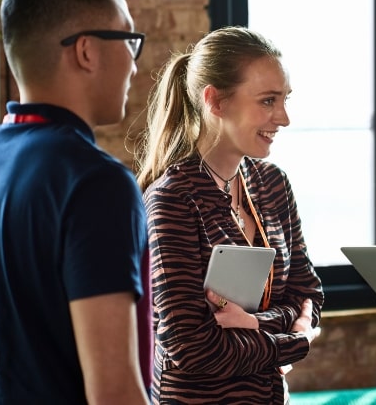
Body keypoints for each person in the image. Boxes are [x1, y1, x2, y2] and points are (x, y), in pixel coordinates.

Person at [0, 0, 150, 405]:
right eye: (128, 40)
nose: (134, 63)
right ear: (86, 51)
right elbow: (115, 394)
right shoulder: (95, 185)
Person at [135, 26, 324, 404]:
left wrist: (255, 323)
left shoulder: (273, 185)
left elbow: (309, 297)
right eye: (268, 101)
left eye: (285, 99)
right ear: (216, 102)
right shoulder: (172, 200)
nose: (284, 117)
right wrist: (294, 342)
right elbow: (190, 350)